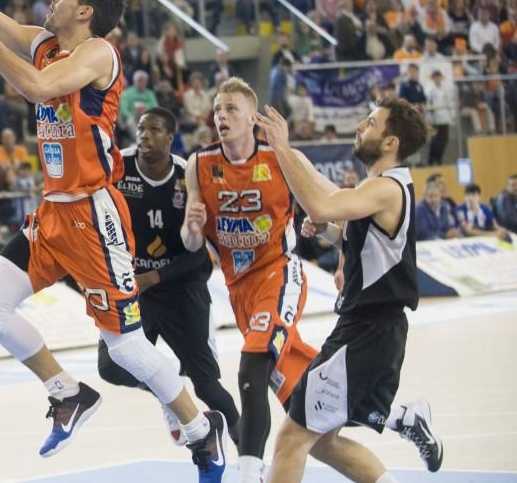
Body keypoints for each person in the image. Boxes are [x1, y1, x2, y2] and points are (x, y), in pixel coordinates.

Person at [0, 0, 225, 478]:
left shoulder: (97, 53)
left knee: (128, 349)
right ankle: (66, 393)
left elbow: (39, 88)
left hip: (94, 212)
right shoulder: (44, 44)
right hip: (54, 210)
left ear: (86, 10)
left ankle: (203, 431)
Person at [255, 98, 444, 482]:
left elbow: (322, 202)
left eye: (371, 123)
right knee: (321, 438)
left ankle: (406, 419)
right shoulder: (379, 188)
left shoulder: (388, 188)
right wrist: (325, 230)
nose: (361, 126)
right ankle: (406, 421)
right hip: (374, 330)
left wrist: (282, 148)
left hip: (367, 331)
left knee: (293, 437)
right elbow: (357, 242)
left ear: (391, 142)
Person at [182, 77, 323, 483]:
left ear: (251, 119)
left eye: (231, 109)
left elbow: (328, 207)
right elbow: (192, 242)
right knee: (309, 402)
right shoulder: (199, 164)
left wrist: (329, 233)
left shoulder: (281, 158)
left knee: (249, 370)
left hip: (279, 273)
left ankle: (248, 473)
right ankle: (402, 417)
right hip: (238, 289)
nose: (221, 115)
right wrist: (193, 228)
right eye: (217, 109)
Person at [98, 108, 240, 445]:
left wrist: (152, 278)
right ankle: (170, 394)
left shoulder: (186, 175)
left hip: (183, 290)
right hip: (136, 290)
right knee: (111, 366)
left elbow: (197, 254)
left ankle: (251, 457)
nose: (144, 135)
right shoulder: (119, 166)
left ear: (170, 137)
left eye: (154, 129)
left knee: (208, 386)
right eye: (141, 128)